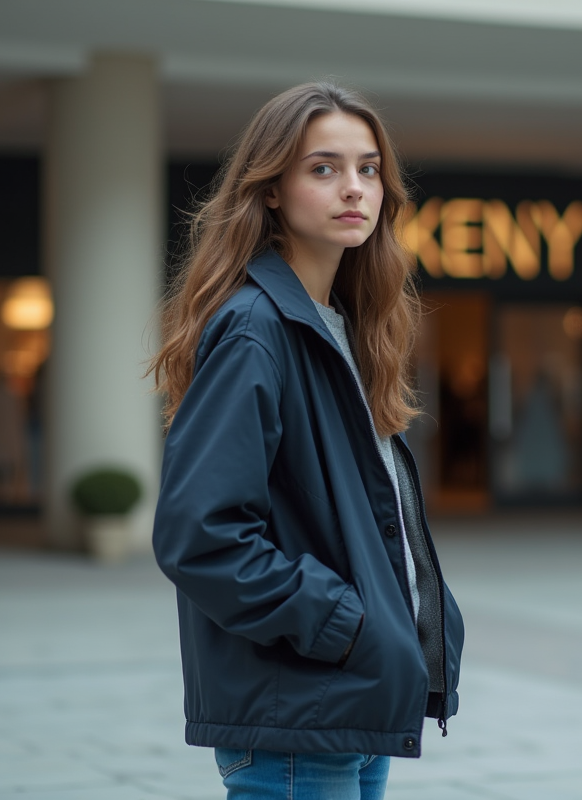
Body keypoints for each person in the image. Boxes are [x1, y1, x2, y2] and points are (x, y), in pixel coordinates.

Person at [148, 82, 464, 800]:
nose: (353, 188)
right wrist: (345, 625)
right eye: (322, 168)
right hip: (298, 716)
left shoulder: (340, 329)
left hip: (349, 701)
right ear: (270, 191)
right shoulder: (258, 329)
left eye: (368, 168)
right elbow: (201, 535)